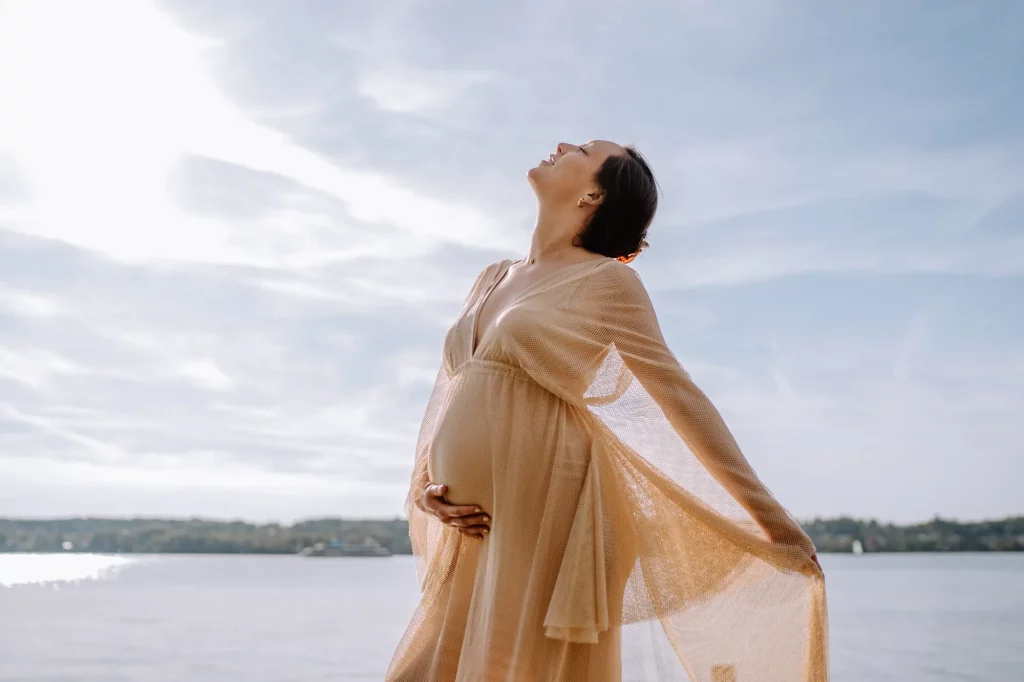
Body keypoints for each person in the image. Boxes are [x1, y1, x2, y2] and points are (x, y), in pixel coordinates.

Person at [385, 141, 828, 682]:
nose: (563, 146)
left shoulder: (607, 282)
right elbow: (449, 395)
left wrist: (772, 521)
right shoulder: (492, 278)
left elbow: (678, 396)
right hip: (475, 525)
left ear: (595, 192)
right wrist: (427, 488)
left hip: (554, 509)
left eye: (584, 149)